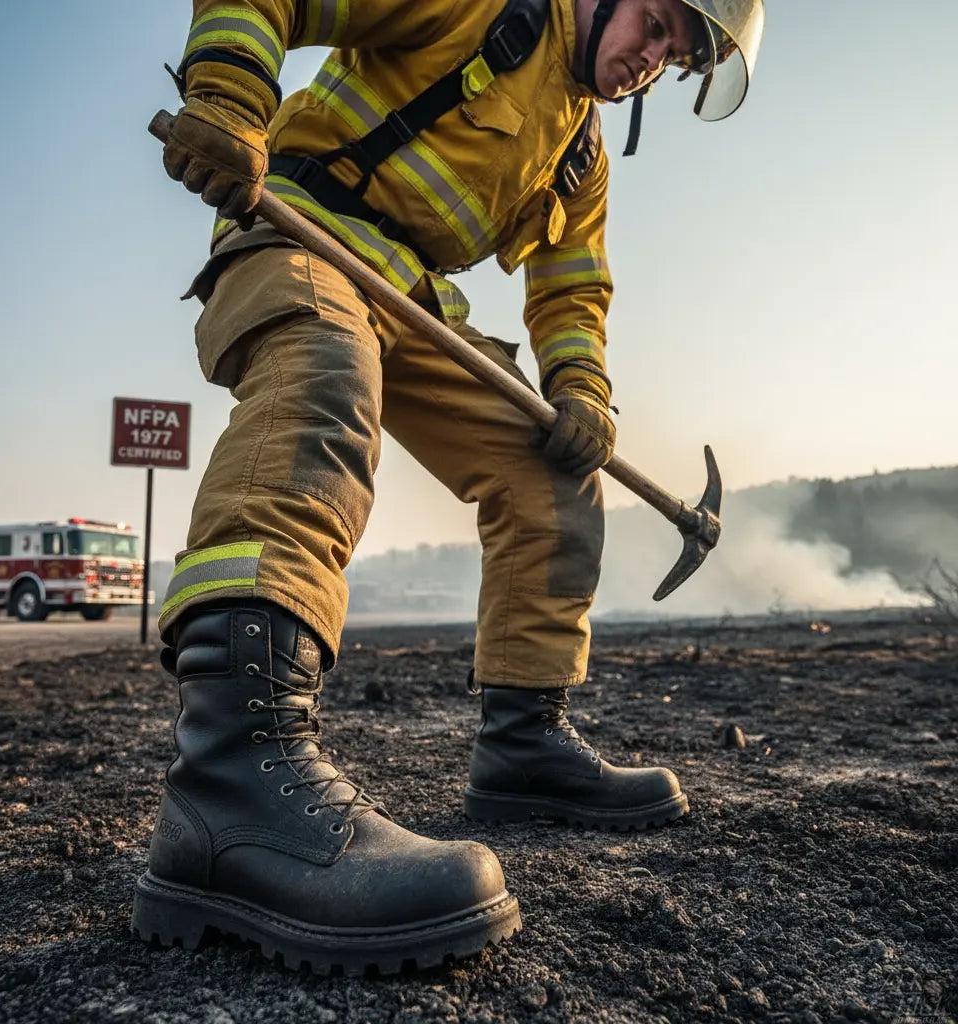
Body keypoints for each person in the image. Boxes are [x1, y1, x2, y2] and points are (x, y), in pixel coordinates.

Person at [133, 0, 765, 974]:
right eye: (655, 22)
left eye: (675, 56)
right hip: (296, 230)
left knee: (550, 471)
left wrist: (578, 391)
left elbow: (571, 287)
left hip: (407, 293)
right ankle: (228, 779)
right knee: (322, 379)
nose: (651, 57)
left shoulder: (579, 156)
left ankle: (524, 743)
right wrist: (228, 97)